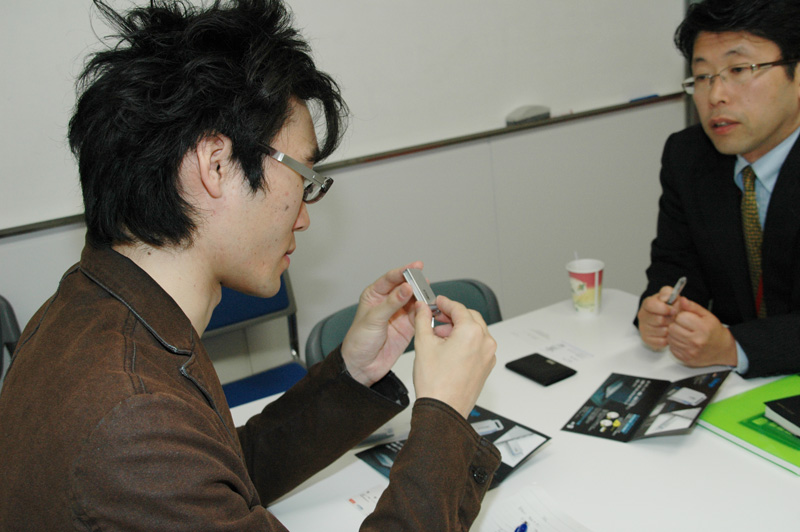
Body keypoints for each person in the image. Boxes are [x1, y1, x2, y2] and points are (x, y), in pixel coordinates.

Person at [0, 1, 500, 529]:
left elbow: (215, 478)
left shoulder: (93, 308)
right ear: (215, 164)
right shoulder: (131, 420)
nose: (304, 217)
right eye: (303, 176)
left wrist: (354, 373)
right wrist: (445, 417)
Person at [636, 0, 800, 378]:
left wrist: (734, 346)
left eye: (738, 70)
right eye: (702, 76)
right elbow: (674, 268)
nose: (715, 96)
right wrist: (659, 311)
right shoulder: (688, 155)